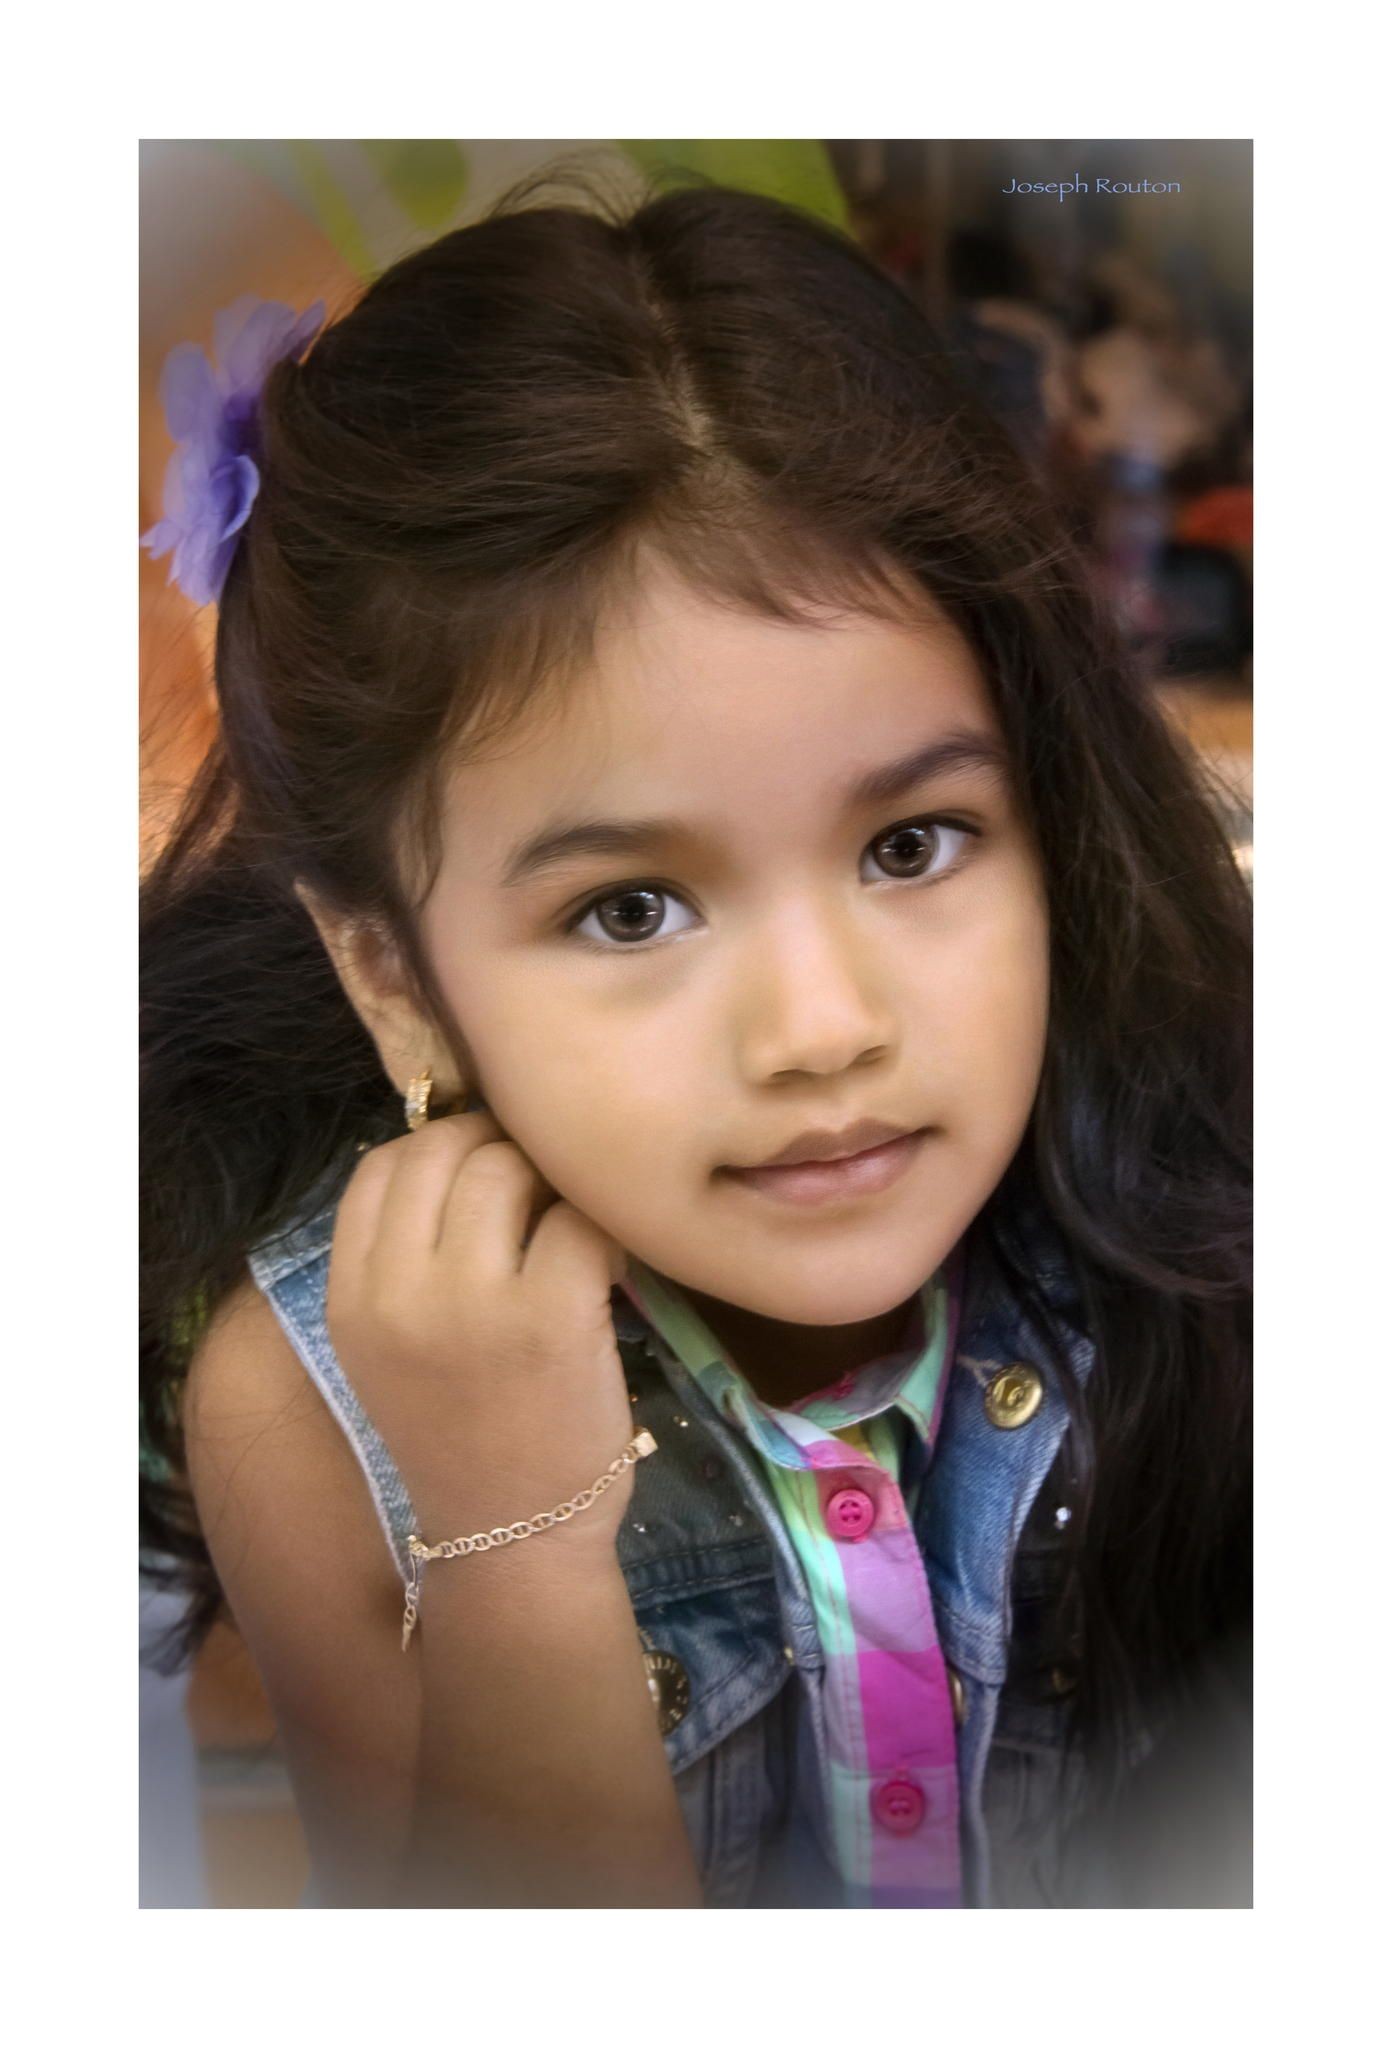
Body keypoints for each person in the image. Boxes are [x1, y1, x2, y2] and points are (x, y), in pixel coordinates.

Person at [140, 175, 1252, 1910]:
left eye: (911, 845)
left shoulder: (1215, 1205)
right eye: (630, 911)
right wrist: (513, 1544)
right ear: (393, 976)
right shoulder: (306, 1414)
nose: (824, 1033)